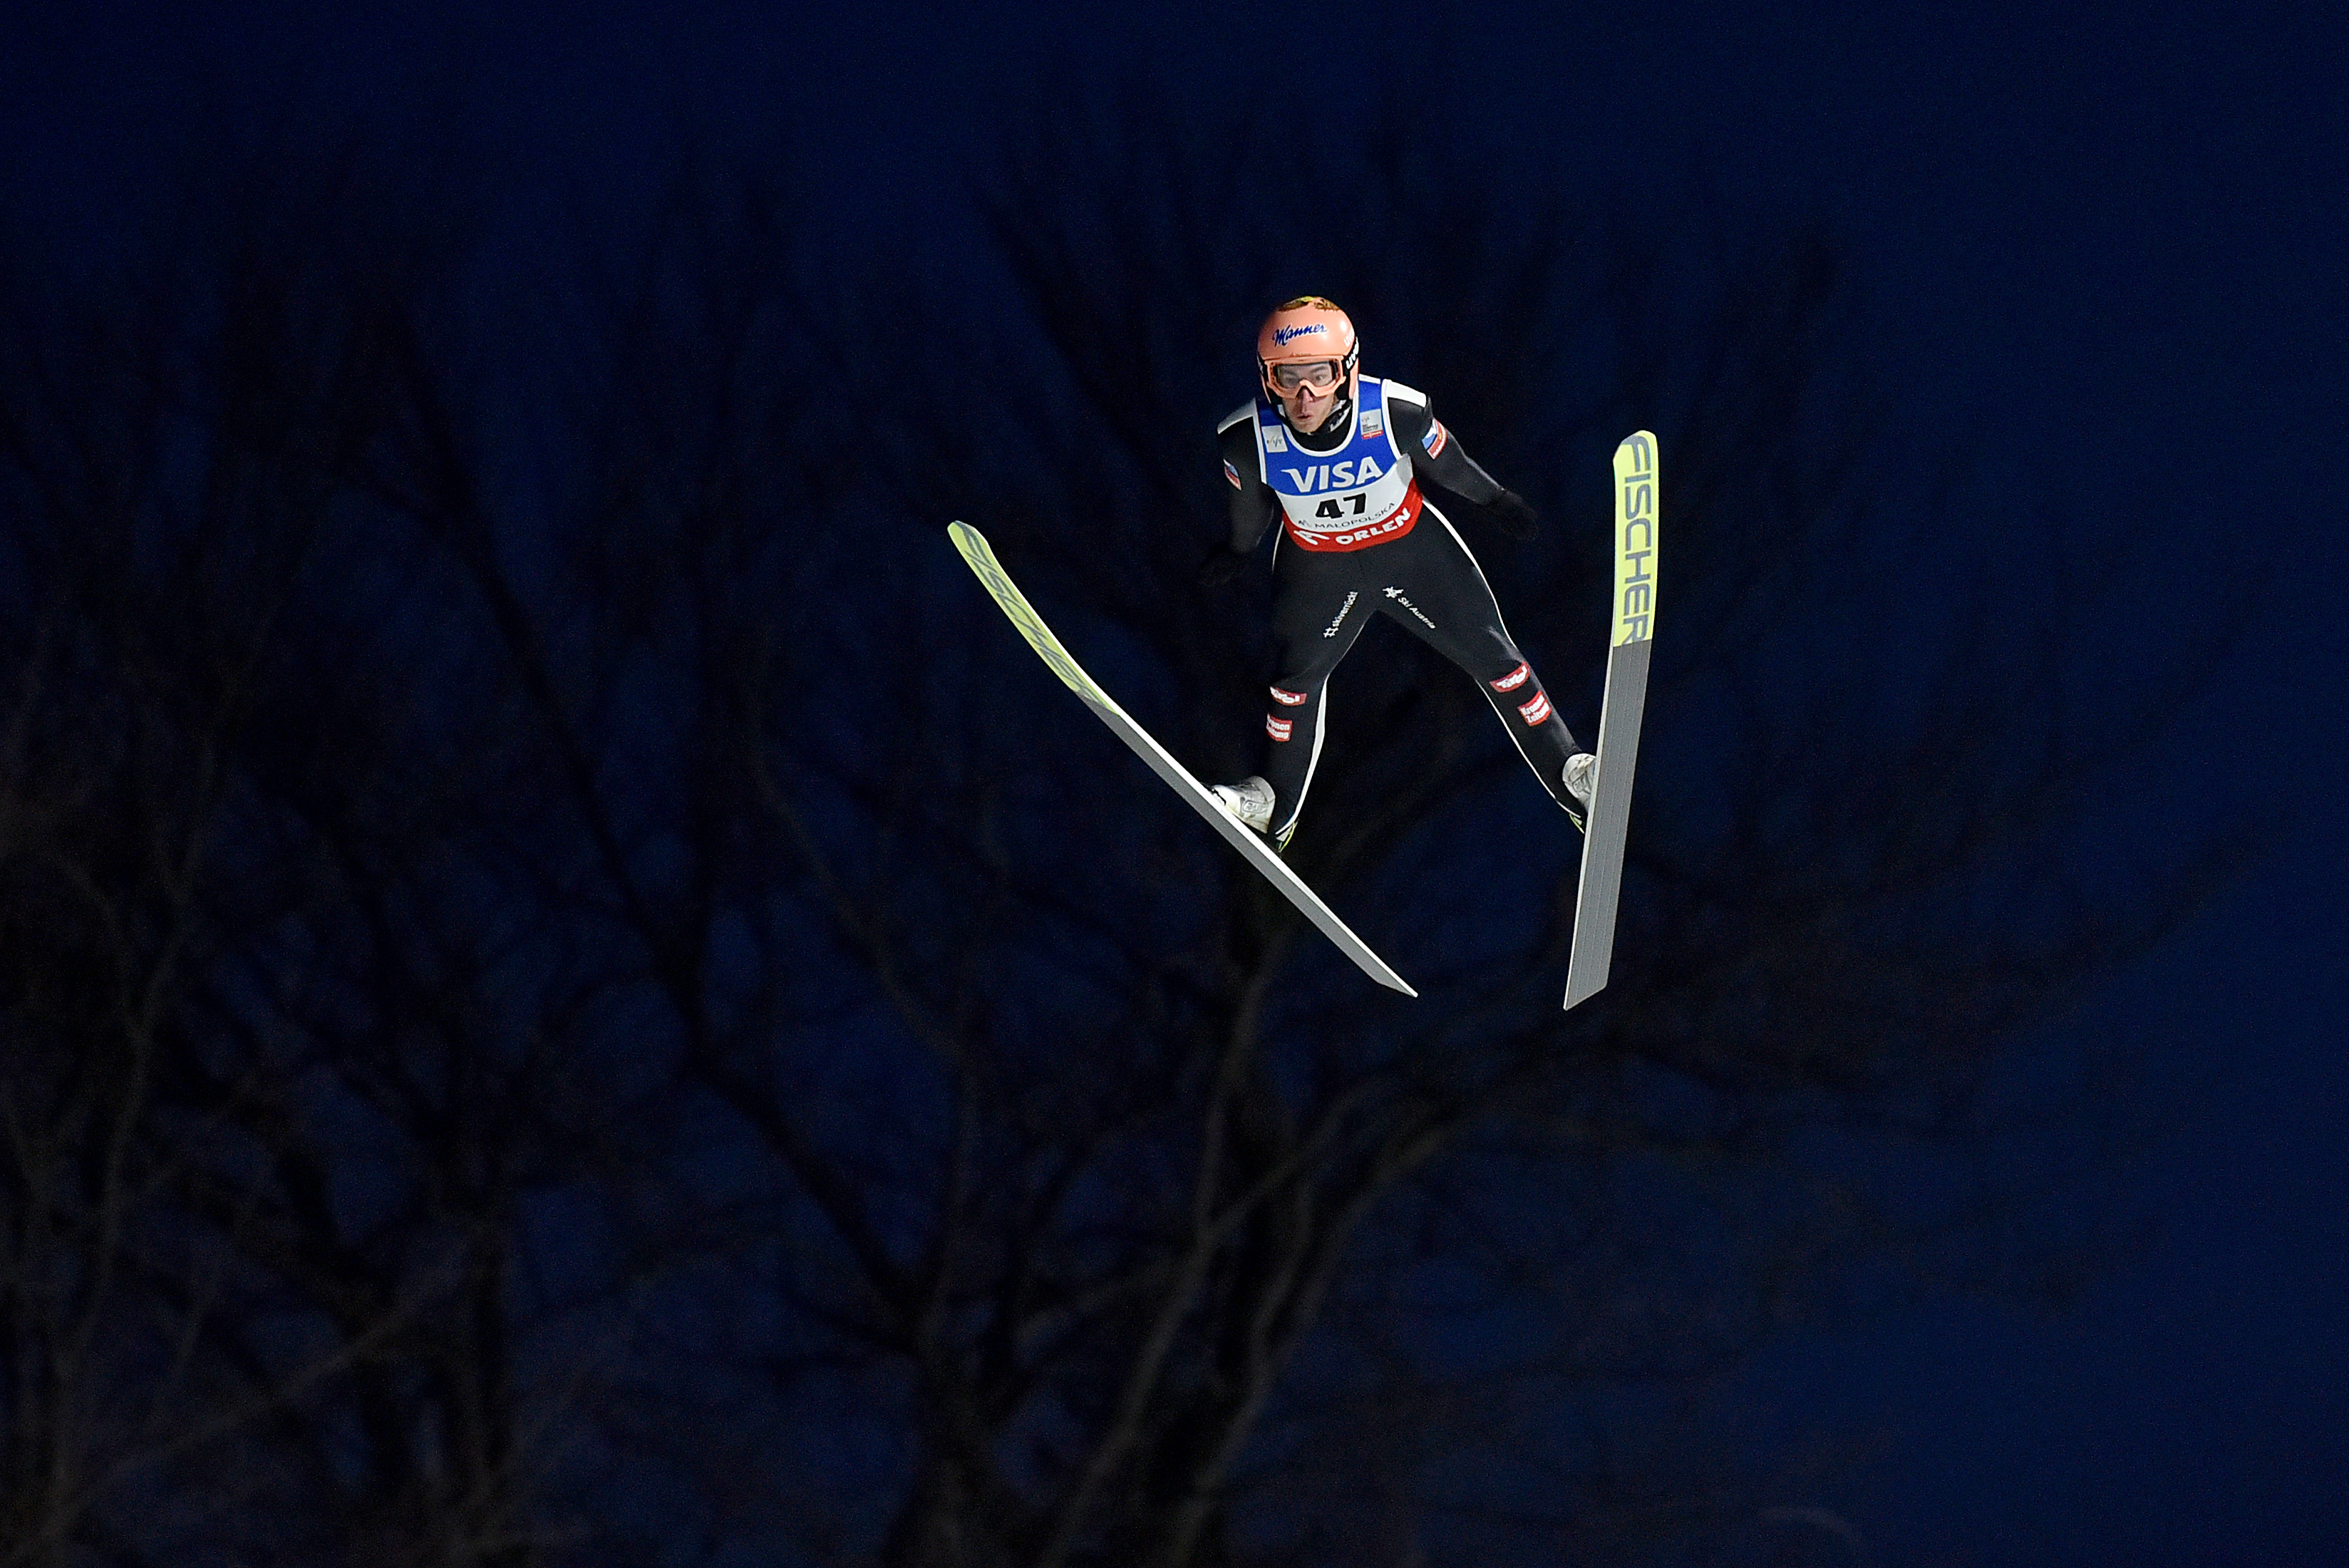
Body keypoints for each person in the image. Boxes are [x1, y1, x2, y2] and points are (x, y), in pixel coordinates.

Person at [1201, 296, 1595, 847]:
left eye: (1320, 375)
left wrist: (1496, 499)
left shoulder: (1393, 411)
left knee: (1498, 660)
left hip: (1411, 554)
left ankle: (1571, 773)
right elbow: (1249, 509)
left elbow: (1448, 462)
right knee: (1293, 686)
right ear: (1268, 379)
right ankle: (1272, 802)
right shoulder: (1245, 437)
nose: (1305, 395)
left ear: (1348, 371)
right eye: (1288, 378)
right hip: (1319, 567)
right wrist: (1238, 550)